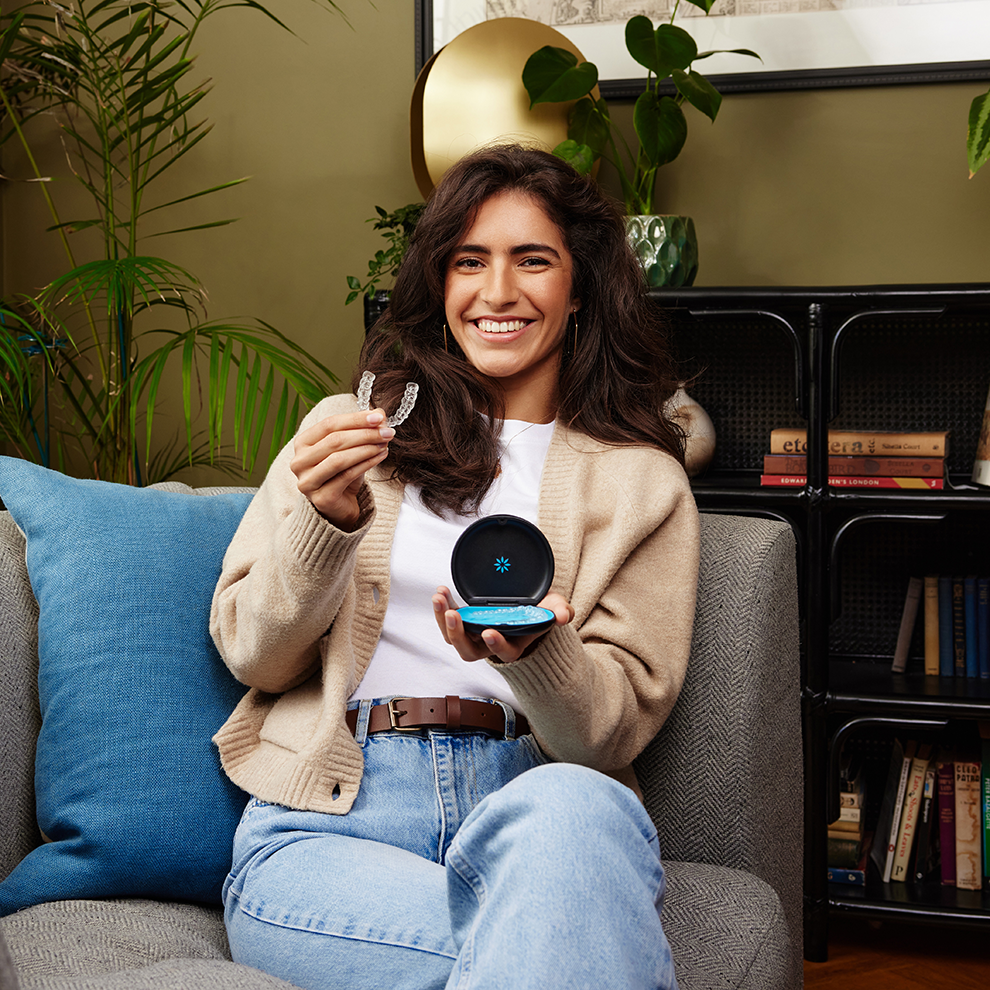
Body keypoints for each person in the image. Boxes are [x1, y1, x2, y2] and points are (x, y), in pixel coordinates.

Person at [210, 143, 700, 990]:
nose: (498, 292)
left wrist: (534, 652)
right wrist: (324, 525)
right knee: (560, 954)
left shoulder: (639, 482)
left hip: (539, 802)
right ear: (441, 284)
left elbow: (608, 737)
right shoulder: (349, 429)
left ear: (579, 287)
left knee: (580, 815)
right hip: (337, 819)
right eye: (470, 261)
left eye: (532, 261)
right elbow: (255, 655)